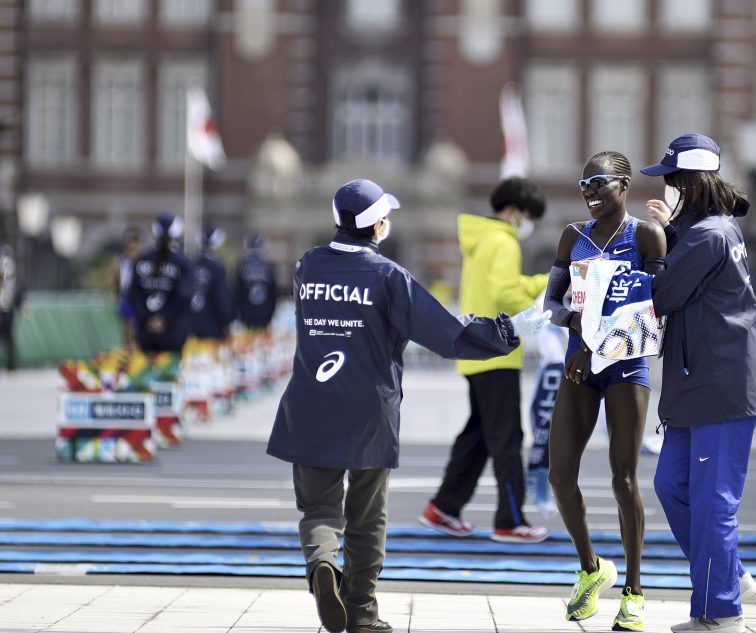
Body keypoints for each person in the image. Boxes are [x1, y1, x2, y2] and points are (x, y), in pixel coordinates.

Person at [266, 178, 550, 633]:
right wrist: (507, 330)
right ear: (377, 224)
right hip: (367, 411)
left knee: (319, 510)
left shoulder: (307, 266)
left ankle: (321, 563)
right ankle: (361, 612)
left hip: (310, 405)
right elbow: (445, 333)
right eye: (385, 215)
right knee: (366, 517)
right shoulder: (387, 277)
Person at [638, 133, 756, 633]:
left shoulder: (710, 235)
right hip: (702, 381)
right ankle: (731, 574)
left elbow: (661, 293)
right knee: (671, 485)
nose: (666, 186)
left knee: (714, 502)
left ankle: (720, 612)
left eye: (671, 179)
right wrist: (670, 230)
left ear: (689, 184)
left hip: (720, 385)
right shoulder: (706, 231)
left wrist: (657, 237)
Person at [539, 151, 665, 630]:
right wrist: (575, 323)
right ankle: (592, 570)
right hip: (580, 365)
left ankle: (634, 591)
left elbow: (655, 310)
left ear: (624, 184)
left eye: (598, 182)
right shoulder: (573, 237)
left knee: (624, 479)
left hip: (626, 367)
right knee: (559, 477)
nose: (589, 191)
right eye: (583, 183)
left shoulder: (648, 236)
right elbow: (553, 301)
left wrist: (598, 345)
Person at [420, 176, 551, 544]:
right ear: (513, 212)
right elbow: (506, 292)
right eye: (528, 216)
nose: (529, 224)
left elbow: (495, 288)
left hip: (476, 349)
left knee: (478, 436)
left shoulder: (481, 241)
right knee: (507, 438)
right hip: (497, 351)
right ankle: (509, 520)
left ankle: (444, 507)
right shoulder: (502, 241)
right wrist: (546, 284)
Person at [127, 214, 195, 353]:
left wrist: (147, 319)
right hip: (173, 333)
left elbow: (133, 294)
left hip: (146, 333)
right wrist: (164, 318)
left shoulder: (142, 260)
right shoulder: (184, 262)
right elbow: (184, 296)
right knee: (170, 372)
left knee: (144, 371)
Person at [190, 226, 233, 341]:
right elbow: (222, 299)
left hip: (190, 326)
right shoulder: (217, 268)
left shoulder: (191, 264)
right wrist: (227, 321)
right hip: (212, 327)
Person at [235, 233, 277, 331]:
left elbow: (237, 292)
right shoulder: (269, 266)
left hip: (246, 314)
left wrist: (238, 313)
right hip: (264, 313)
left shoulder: (242, 265)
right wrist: (270, 315)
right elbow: (274, 293)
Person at [0, 246, 24, 371]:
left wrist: (22, 303)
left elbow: (20, 291)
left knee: (9, 338)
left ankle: (11, 363)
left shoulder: (14, 277)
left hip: (7, 311)